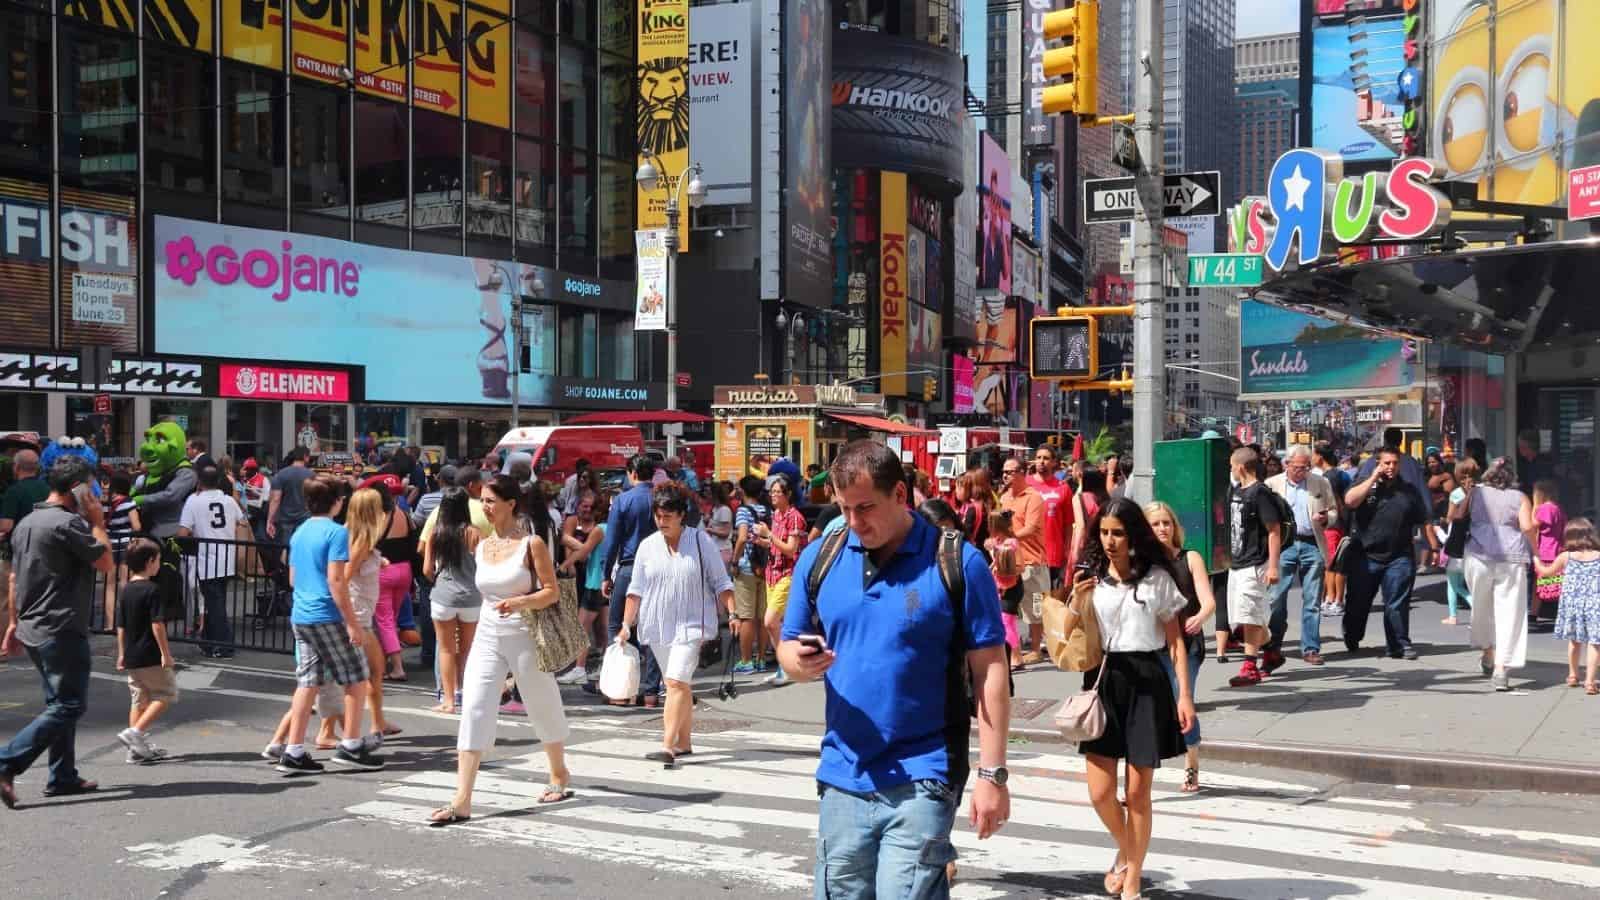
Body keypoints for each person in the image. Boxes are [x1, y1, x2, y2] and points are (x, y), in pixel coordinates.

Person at [778, 441, 1010, 900]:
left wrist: (993, 775)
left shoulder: (957, 562)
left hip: (923, 773)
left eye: (865, 507)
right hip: (843, 772)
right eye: (844, 508)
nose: (853, 522)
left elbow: (990, 671)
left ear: (901, 495)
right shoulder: (820, 557)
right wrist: (798, 663)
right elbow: (787, 645)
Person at [1057, 497, 1194, 900]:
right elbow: (1065, 633)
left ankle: (1132, 879)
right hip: (1102, 681)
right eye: (1104, 532)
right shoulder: (1091, 578)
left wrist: (1184, 695)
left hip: (1147, 683)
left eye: (1118, 532)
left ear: (1133, 535)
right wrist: (1076, 600)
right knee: (1100, 793)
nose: (1111, 540)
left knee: (1137, 793)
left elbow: (1175, 644)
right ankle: (1127, 848)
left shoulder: (1156, 578)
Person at [428, 475, 573, 825]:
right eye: (483, 501)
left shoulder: (532, 544)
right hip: (488, 636)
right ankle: (461, 799)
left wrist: (520, 601)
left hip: (524, 634)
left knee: (542, 704)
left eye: (492, 500)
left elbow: (552, 591)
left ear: (511, 503)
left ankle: (559, 773)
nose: (485, 507)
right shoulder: (480, 545)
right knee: (474, 707)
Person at [0, 455, 115, 806]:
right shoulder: (70, 524)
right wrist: (97, 521)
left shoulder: (28, 522)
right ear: (77, 488)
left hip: (35, 626)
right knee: (68, 704)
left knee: (57, 701)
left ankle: (62, 775)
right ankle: (7, 761)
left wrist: (13, 625)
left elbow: (16, 578)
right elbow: (106, 562)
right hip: (61, 625)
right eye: (90, 486)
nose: (95, 493)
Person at [275, 476, 386, 774]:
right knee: (357, 677)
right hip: (326, 613)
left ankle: (294, 749)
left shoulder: (299, 533)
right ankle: (351, 744)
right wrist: (351, 624)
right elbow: (337, 580)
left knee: (307, 682)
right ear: (337, 502)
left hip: (301, 612)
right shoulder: (336, 533)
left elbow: (292, 579)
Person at [618, 485, 734, 765]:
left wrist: (733, 613)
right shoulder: (647, 546)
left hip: (693, 623)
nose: (662, 521)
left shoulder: (700, 541)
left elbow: (721, 581)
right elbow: (635, 590)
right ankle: (684, 742)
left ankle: (667, 745)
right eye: (658, 515)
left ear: (682, 515)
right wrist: (625, 624)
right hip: (657, 624)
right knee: (680, 685)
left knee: (674, 681)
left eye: (668, 515)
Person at [1145, 501, 1216, 793]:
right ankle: (1142, 773)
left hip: (1187, 644)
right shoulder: (1144, 562)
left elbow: (1208, 600)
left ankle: (1191, 766)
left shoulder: (1190, 557)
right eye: (1156, 523)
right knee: (1150, 709)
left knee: (1181, 701)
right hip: (1152, 645)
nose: (1163, 528)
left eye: (1167, 523)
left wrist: (1200, 616)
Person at [1345, 448, 1438, 660]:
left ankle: (1399, 644)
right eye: (1386, 463)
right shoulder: (1364, 484)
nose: (1391, 467)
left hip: (1399, 555)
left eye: (1395, 463)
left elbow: (1424, 520)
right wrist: (1373, 479)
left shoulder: (1408, 490)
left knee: (1396, 602)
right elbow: (1350, 501)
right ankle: (1352, 635)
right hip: (1365, 555)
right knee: (1358, 603)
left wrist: (1432, 547)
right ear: (1377, 464)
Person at [1452, 458, 1536, 691]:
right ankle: (1502, 668)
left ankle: (1488, 652)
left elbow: (1457, 516)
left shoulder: (1476, 493)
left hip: (1478, 555)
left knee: (1481, 607)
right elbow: (1528, 527)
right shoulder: (1520, 497)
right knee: (1511, 613)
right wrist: (1536, 553)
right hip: (1512, 557)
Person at [1263, 446, 1338, 668]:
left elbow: (1334, 510)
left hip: (1311, 544)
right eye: (1297, 467)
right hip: (1283, 546)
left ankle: (1311, 648)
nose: (1302, 471)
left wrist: (1326, 518)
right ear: (1287, 464)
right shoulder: (1272, 485)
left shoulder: (1319, 482)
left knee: (1312, 600)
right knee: (1276, 598)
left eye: (1306, 467)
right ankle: (1274, 645)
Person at [602, 456, 663, 706]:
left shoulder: (623, 500)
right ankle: (650, 691)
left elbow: (612, 540)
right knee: (652, 628)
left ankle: (622, 689)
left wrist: (606, 574)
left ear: (632, 473)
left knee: (618, 625)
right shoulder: (662, 498)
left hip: (629, 567)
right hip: (659, 568)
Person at [344, 488, 400, 736]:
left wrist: (379, 561)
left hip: (360, 613)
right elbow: (344, 575)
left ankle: (377, 722)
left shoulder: (356, 534)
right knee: (371, 671)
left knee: (367, 672)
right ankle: (365, 727)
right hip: (357, 615)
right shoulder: (361, 539)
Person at [115, 537, 177, 763]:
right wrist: (165, 653)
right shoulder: (153, 590)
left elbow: (120, 626)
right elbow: (157, 624)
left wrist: (121, 653)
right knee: (166, 694)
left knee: (139, 700)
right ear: (151, 561)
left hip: (131, 654)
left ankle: (136, 750)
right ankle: (135, 733)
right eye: (159, 559)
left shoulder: (126, 590)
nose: (159, 563)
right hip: (150, 652)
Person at [177, 465, 248, 659]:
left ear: (199, 481)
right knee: (216, 602)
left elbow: (182, 532)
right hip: (227, 557)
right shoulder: (228, 500)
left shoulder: (194, 501)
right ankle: (207, 641)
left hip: (207, 559)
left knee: (214, 604)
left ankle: (224, 645)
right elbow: (242, 520)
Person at [1225, 446, 1281, 687]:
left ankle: (1250, 667)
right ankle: (1271, 651)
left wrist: (1273, 566)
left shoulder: (1260, 493)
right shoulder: (1237, 491)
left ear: (1239, 467)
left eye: (1231, 466)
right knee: (1243, 617)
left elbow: (1274, 530)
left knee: (1249, 616)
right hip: (1236, 562)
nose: (1231, 470)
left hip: (1255, 562)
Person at [423, 487, 483, 712]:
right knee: (468, 650)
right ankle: (467, 695)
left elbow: (427, 569)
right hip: (472, 597)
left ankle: (448, 700)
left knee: (446, 649)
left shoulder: (436, 534)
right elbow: (485, 566)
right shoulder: (475, 533)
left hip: (443, 596)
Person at [754, 473, 806, 686]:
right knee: (776, 624)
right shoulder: (776, 514)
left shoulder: (795, 517)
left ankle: (788, 664)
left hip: (787, 573)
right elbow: (777, 545)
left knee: (770, 620)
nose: (773, 495)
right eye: (772, 492)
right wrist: (762, 541)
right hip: (772, 572)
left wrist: (769, 535)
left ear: (788, 494)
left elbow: (791, 550)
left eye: (777, 492)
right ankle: (785, 665)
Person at [1540, 518, 1600, 694]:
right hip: (1595, 604)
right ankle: (1590, 682)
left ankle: (1573, 675)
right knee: (1595, 643)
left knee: (1574, 641)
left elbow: (1546, 572)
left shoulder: (1565, 557)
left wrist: (1536, 561)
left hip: (1572, 605)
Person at [999, 457, 1048, 666]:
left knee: (1035, 607)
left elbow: (1031, 528)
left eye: (1010, 472)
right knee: (1010, 608)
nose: (1005, 475)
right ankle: (1018, 647)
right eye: (1004, 471)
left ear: (1021, 473)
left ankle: (1036, 648)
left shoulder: (1033, 497)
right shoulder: (1004, 498)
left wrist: (1010, 537)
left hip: (1032, 562)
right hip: (1010, 562)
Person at [556, 490, 605, 685]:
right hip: (605, 580)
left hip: (594, 580)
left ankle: (579, 668)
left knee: (581, 625)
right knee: (606, 624)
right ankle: (603, 665)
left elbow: (584, 553)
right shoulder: (610, 527)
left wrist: (564, 565)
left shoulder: (599, 529)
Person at [1, 450, 51, 635]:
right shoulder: (47, 489)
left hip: (17, 553)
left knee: (7, 598)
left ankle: (4, 644)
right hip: (44, 551)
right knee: (40, 597)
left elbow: (6, 526)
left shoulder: (14, 491)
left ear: (16, 467)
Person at [730, 475, 769, 675]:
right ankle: (761, 659)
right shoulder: (768, 509)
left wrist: (735, 561)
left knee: (746, 617)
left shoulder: (743, 511)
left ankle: (746, 661)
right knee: (763, 617)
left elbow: (742, 537)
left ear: (743, 491)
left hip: (747, 568)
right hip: (765, 567)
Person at [984, 510, 1024, 670]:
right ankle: (1015, 655)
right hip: (999, 587)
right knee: (1005, 622)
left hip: (1012, 588)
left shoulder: (1012, 544)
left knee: (1007, 623)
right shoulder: (995, 542)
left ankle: (1016, 657)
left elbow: (1021, 567)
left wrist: (1005, 567)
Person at [1029, 443, 1076, 578]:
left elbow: (1068, 525)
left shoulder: (1063, 488)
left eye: (1046, 458)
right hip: (1028, 556)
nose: (1041, 461)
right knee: (1032, 597)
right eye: (1038, 457)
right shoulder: (1025, 484)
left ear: (1054, 462)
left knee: (1045, 597)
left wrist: (1067, 552)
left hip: (1053, 557)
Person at [103, 471, 141, 631]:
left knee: (109, 585)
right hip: (125, 544)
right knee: (124, 583)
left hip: (109, 545)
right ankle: (126, 622)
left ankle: (109, 624)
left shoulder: (105, 502)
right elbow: (136, 526)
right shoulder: (128, 502)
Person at [1440, 460, 1477, 626]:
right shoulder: (1481, 492)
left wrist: (1441, 522)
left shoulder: (1456, 494)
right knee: (1466, 581)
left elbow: (1450, 518)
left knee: (1452, 583)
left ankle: (1454, 615)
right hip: (1473, 543)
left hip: (1456, 543)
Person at [1313, 445, 1349, 616]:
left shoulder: (1328, 478)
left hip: (1332, 525)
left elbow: (1333, 503)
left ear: (1320, 457)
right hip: (1340, 524)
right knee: (1334, 562)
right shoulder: (1341, 474)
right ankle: (1332, 598)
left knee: (1332, 563)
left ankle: (1333, 599)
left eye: (1314, 454)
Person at [1531, 480, 1567, 624]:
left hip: (1546, 550)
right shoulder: (1558, 508)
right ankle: (1562, 613)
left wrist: (1534, 507)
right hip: (1557, 548)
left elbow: (1534, 524)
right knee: (1557, 583)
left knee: (1539, 585)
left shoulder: (1545, 508)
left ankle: (1533, 614)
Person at [266, 447, 314, 547]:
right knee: (303, 548)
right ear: (305, 457)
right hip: (305, 518)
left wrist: (270, 520)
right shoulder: (311, 475)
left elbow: (275, 499)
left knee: (287, 549)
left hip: (285, 520)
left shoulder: (281, 475)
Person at [952, 468, 993, 551]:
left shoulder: (972, 510)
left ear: (968, 488)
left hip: (975, 550)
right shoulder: (981, 505)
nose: (955, 491)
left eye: (958, 487)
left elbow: (965, 534)